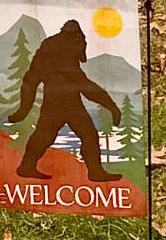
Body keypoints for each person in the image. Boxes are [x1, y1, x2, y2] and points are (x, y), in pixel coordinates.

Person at [11, 20, 121, 182]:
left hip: (60, 102)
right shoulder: (68, 47)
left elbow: (31, 79)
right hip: (65, 104)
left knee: (48, 135)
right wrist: (111, 107)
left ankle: (27, 166)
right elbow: (85, 86)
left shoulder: (51, 45)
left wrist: (23, 110)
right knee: (85, 135)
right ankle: (95, 172)